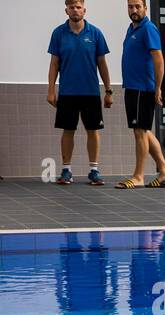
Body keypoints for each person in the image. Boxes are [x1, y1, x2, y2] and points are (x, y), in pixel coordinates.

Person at [47, 0, 113, 186]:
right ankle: (66, 170)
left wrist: (108, 91)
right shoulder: (58, 33)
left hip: (90, 92)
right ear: (66, 10)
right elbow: (54, 64)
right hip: (67, 92)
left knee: (93, 131)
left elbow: (102, 64)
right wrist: (51, 90)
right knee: (68, 130)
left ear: (84, 9)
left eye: (78, 7)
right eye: (71, 7)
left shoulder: (95, 33)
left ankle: (94, 170)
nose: (75, 10)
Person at [116, 0, 165, 189]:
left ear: (145, 8)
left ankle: (138, 176)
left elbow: (158, 59)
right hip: (133, 87)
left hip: (143, 88)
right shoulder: (132, 28)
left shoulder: (148, 28)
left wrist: (157, 87)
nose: (134, 10)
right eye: (130, 7)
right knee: (143, 131)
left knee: (140, 132)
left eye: (137, 7)